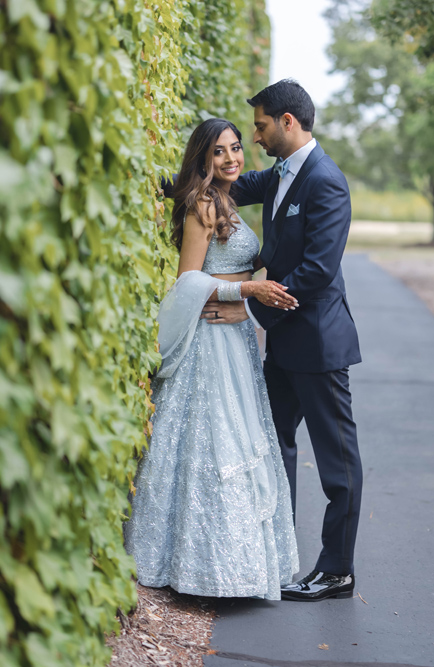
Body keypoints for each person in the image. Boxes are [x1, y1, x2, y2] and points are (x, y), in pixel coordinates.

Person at [201, 80, 363, 602]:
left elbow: (317, 271)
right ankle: (277, 553)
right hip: (284, 344)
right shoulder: (280, 175)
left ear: (288, 122)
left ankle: (337, 570)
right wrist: (167, 182)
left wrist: (245, 302)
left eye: (261, 124)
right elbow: (228, 183)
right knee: (273, 447)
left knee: (337, 464)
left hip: (318, 346)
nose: (256, 135)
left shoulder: (326, 181)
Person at [125, 118, 299, 600]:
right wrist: (244, 289)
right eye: (219, 152)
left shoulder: (229, 200)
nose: (232, 159)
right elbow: (188, 281)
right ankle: (202, 569)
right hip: (210, 342)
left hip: (237, 337)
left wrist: (248, 293)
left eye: (237, 148)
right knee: (215, 444)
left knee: (241, 439)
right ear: (203, 158)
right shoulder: (203, 204)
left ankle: (237, 566)